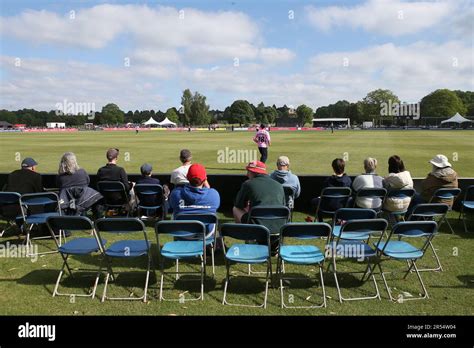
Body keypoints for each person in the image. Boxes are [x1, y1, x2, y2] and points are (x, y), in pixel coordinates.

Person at [169, 164, 220, 240]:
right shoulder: (214, 194)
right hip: (206, 233)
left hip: (183, 233)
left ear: (187, 177)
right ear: (205, 179)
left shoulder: (176, 193)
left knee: (174, 214)